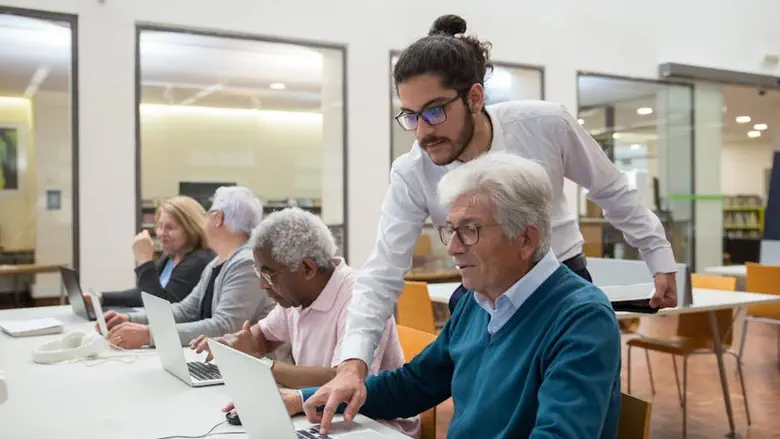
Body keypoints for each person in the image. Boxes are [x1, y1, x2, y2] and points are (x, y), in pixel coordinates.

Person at [313, 13, 679, 423]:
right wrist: (351, 366)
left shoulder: (545, 124)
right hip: (483, 293)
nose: (421, 133)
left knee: (558, 407)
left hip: (560, 285)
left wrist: (659, 258)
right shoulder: (413, 170)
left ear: (474, 97)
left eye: (434, 112)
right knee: (486, 410)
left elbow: (610, 190)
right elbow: (382, 274)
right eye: (410, 116)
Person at [295, 152, 622, 438]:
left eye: (470, 230)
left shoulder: (581, 318)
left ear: (525, 239)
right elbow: (414, 385)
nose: (452, 247)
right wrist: (306, 397)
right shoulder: (478, 300)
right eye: (450, 229)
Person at [191, 207, 420, 438]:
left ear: (307, 268)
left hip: (375, 423)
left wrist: (266, 367)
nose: (262, 285)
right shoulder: (295, 298)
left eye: (269, 275)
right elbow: (260, 337)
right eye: (258, 272)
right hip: (321, 414)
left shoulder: (360, 299)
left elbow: (342, 379)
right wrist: (232, 343)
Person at [102, 186, 276, 349]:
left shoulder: (246, 263)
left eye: (209, 214)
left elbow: (225, 327)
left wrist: (149, 335)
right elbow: (185, 311)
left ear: (218, 218)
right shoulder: (216, 264)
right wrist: (131, 319)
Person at [93, 196, 215, 308]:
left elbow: (160, 307)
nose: (161, 233)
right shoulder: (170, 257)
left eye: (170, 228)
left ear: (191, 229)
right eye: (159, 226)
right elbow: (145, 293)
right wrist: (101, 298)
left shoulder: (198, 261)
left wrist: (145, 261)